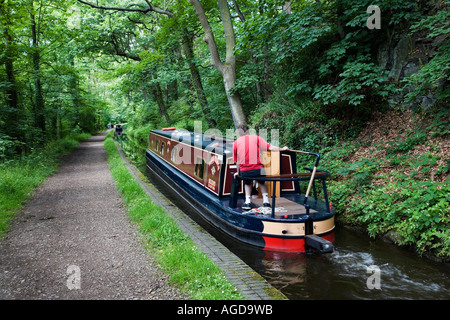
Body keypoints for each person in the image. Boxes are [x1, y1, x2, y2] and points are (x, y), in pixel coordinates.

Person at [233, 124, 289, 210]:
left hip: (245, 170)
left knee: (247, 183)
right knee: (262, 182)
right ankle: (266, 202)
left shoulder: (236, 143)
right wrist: (282, 149)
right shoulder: (256, 138)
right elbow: (270, 147)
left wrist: (238, 172)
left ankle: (247, 202)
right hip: (258, 169)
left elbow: (238, 161)